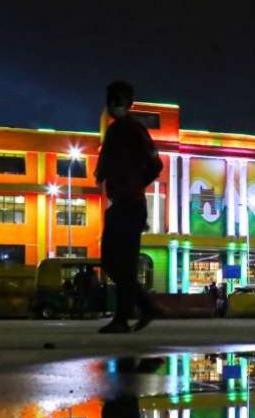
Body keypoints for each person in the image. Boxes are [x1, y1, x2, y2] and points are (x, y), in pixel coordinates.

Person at [95, 80, 162, 334]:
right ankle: (143, 307)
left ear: (127, 103)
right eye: (112, 100)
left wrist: (136, 185)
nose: (114, 106)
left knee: (120, 262)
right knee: (113, 262)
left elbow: (156, 165)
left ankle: (126, 316)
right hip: (121, 203)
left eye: (119, 101)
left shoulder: (134, 129)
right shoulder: (114, 130)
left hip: (130, 204)